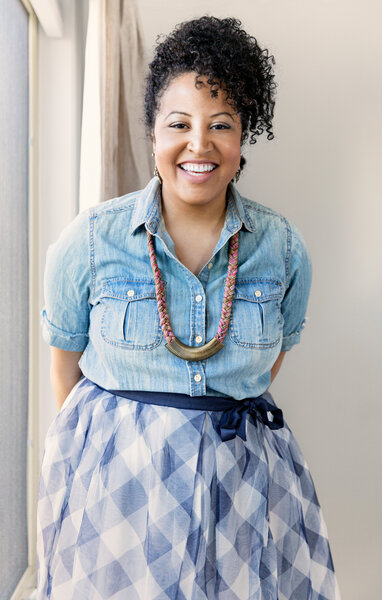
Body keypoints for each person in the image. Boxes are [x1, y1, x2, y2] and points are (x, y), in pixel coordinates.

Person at [36, 15, 340, 599]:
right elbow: (64, 370)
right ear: (154, 135)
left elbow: (269, 362)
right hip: (121, 490)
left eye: (219, 125)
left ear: (242, 138)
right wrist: (123, 445)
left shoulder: (282, 249)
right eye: (179, 124)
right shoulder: (92, 239)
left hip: (245, 484)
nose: (198, 145)